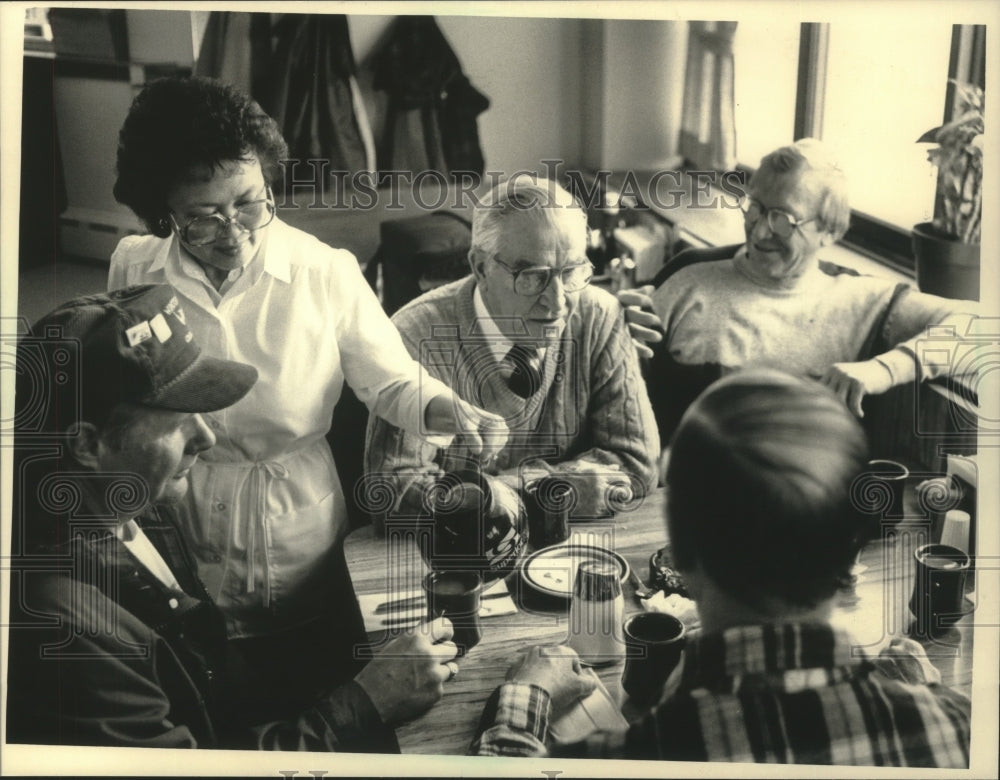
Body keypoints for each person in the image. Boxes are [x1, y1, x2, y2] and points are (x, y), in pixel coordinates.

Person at [106, 77, 506, 694]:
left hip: (296, 522)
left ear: (268, 181)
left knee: (310, 672)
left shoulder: (325, 272)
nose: (234, 233)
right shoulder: (134, 265)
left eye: (248, 202)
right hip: (183, 508)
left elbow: (392, 381)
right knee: (202, 667)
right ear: (165, 213)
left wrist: (445, 406)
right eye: (202, 217)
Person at [6, 285, 461, 751]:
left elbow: (207, 682)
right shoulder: (68, 630)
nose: (205, 438)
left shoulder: (134, 501)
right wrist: (367, 701)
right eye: (176, 421)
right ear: (86, 445)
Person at [471, 368, 971, 767]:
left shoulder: (635, 757)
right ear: (854, 544)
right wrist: (929, 692)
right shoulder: (960, 730)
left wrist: (525, 695)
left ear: (682, 553)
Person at [365, 175, 659, 529]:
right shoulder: (415, 336)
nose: (558, 300)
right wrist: (560, 490)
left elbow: (637, 465)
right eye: (533, 275)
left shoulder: (602, 315)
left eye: (571, 272)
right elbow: (393, 493)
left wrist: (498, 491)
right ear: (481, 267)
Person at [635, 138, 978, 438]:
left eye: (783, 220)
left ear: (830, 231)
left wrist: (884, 369)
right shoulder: (688, 276)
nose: (758, 232)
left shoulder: (861, 300)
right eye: (755, 209)